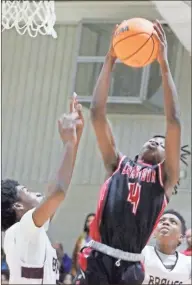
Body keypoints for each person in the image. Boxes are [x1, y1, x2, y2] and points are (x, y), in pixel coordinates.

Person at [75, 20, 188, 285]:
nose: (155, 142)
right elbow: (98, 114)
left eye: (161, 144)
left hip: (131, 264)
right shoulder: (117, 163)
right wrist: (110, 59)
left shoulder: (165, 177)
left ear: (167, 156)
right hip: (99, 258)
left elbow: (173, 121)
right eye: (152, 139)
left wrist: (163, 64)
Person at [2, 96, 84, 284]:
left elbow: (54, 191)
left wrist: (74, 140)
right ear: (18, 206)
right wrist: (69, 143)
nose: (38, 193)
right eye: (28, 191)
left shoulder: (32, 231)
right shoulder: (22, 231)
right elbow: (56, 193)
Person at [142, 209, 191, 284]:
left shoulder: (189, 263)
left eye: (173, 222)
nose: (165, 222)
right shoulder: (141, 253)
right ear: (154, 232)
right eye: (161, 221)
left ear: (181, 237)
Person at [71, 213, 95, 277]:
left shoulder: (100, 238)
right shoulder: (81, 237)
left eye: (92, 221)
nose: (90, 223)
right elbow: (74, 255)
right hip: (79, 272)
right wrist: (73, 271)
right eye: (88, 221)